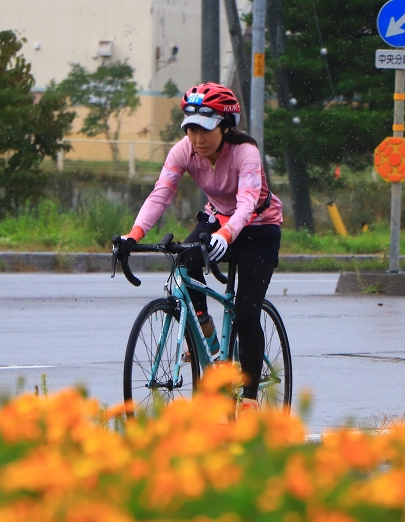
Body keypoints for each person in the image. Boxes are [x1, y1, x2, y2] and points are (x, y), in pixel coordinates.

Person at [116, 82, 283, 411]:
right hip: (218, 218)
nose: (197, 138)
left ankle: (248, 401)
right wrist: (133, 235)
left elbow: (248, 204)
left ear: (225, 126)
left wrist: (227, 234)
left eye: (205, 129)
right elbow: (161, 193)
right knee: (183, 259)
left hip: (259, 227)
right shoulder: (184, 150)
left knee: (246, 314)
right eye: (191, 129)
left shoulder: (245, 153)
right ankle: (205, 329)